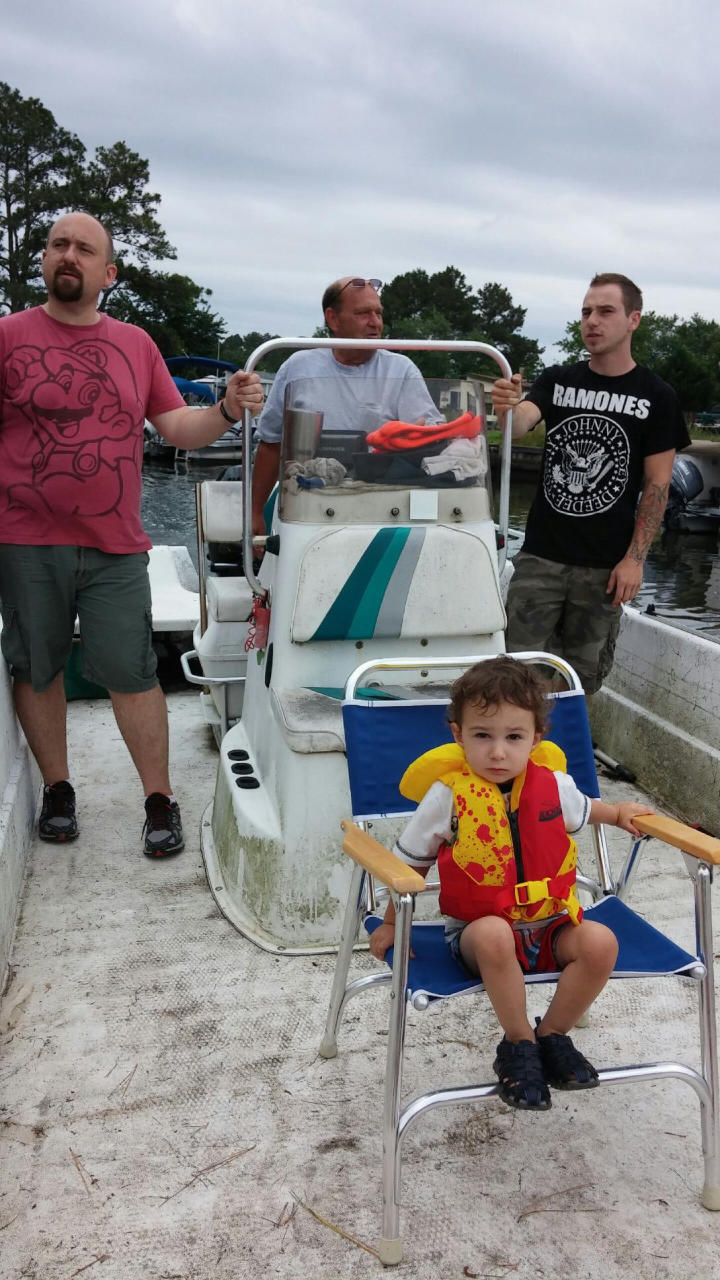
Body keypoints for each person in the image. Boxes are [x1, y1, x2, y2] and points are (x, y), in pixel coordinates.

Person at [0, 211, 264, 856]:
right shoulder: (6, 336)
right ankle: (59, 788)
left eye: (84, 249)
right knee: (38, 668)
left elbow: (178, 428)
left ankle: (158, 797)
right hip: (24, 539)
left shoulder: (136, 344)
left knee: (132, 670)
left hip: (116, 541)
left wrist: (227, 408)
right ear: (44, 261)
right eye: (58, 244)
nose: (69, 255)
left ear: (107, 272)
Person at [370, 656, 653, 1111]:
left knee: (601, 943)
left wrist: (618, 813)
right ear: (458, 735)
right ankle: (518, 1044)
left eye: (514, 737)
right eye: (483, 736)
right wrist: (389, 923)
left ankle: (552, 1036)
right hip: (478, 934)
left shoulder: (553, 786)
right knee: (495, 934)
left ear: (535, 739)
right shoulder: (447, 796)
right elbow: (411, 862)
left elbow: (586, 809)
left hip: (550, 923)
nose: (498, 752)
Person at [491, 273, 690, 693]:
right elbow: (521, 424)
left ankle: (565, 755)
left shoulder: (657, 395)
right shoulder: (558, 379)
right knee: (518, 676)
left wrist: (635, 560)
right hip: (540, 559)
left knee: (580, 680)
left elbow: (657, 485)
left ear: (633, 319)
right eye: (585, 312)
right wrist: (507, 407)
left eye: (605, 311)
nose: (591, 322)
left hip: (605, 567)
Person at [251, 276, 443, 535]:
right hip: (305, 509)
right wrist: (253, 514)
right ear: (332, 319)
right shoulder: (298, 367)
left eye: (378, 313)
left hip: (382, 513)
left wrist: (418, 437)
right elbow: (271, 445)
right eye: (363, 313)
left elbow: (432, 441)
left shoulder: (402, 370)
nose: (375, 322)